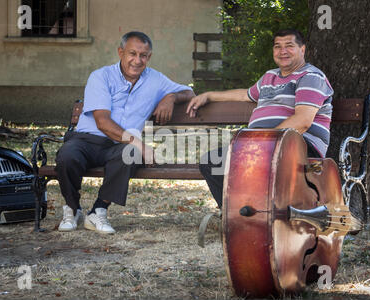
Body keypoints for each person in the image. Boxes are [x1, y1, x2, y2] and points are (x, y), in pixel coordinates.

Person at [56, 31, 194, 234]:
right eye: (132, 54)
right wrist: (140, 144)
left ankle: (98, 212)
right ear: (121, 52)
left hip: (120, 147)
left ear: (149, 57)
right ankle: (72, 208)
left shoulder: (155, 80)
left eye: (144, 55)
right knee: (67, 156)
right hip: (86, 141)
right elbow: (102, 122)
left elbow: (190, 93)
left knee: (129, 155)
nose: (137, 61)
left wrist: (170, 98)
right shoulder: (100, 77)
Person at [186, 29, 334, 209]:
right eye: (277, 46)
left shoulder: (310, 76)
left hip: (298, 146)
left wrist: (263, 141)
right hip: (261, 145)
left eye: (289, 46)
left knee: (256, 163)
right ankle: (238, 216)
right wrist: (209, 95)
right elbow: (244, 95)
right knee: (212, 162)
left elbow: (302, 121)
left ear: (302, 50)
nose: (282, 51)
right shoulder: (269, 77)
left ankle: (258, 217)